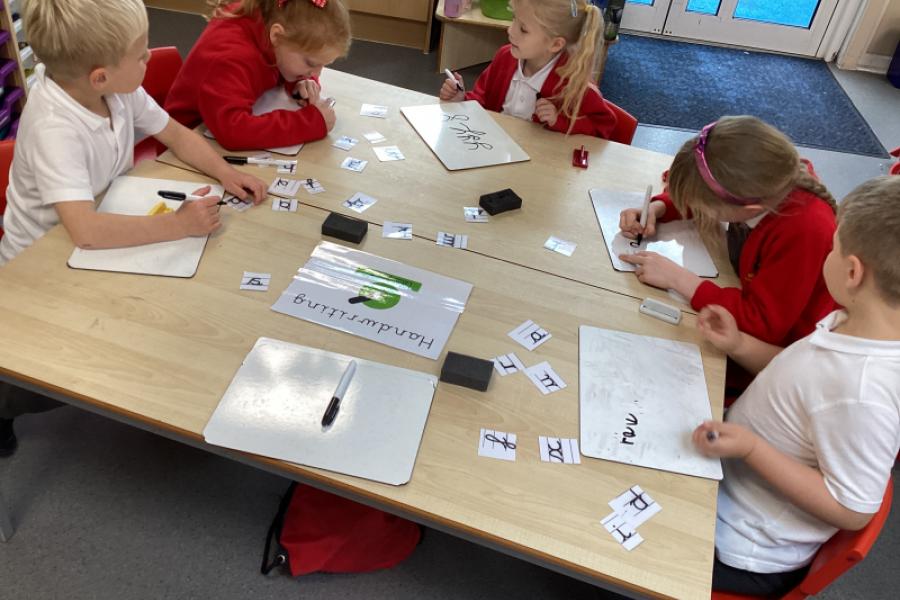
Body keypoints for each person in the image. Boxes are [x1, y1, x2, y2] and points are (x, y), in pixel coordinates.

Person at [0, 0, 267, 456]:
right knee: (60, 372)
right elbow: (85, 231)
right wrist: (179, 226)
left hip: (99, 224)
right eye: (141, 54)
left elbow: (175, 134)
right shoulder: (54, 127)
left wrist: (225, 172)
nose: (148, 58)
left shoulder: (117, 90)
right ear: (99, 76)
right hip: (41, 264)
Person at [692, 175, 900, 597]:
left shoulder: (864, 391)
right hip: (728, 478)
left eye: (833, 246)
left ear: (853, 272)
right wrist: (739, 344)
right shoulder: (856, 325)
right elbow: (801, 382)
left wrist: (752, 448)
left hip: (739, 543)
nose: (828, 252)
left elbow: (852, 508)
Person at [618, 116, 837, 350]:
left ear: (750, 208)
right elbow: (707, 193)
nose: (700, 208)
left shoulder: (804, 230)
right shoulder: (765, 178)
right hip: (744, 290)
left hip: (784, 351)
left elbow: (763, 324)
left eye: (703, 207)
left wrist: (678, 279)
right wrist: (659, 207)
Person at [165, 0, 351, 151]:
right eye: (311, 63)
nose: (317, 73)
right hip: (179, 146)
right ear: (276, 36)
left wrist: (301, 81)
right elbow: (233, 132)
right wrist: (310, 123)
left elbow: (280, 62)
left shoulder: (275, 23)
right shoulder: (230, 57)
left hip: (210, 133)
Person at [439, 0, 617, 138]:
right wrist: (462, 99)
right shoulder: (505, 57)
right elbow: (482, 100)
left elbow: (603, 127)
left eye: (523, 29)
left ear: (555, 44)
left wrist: (560, 121)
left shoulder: (573, 80)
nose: (510, 30)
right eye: (513, 19)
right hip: (494, 147)